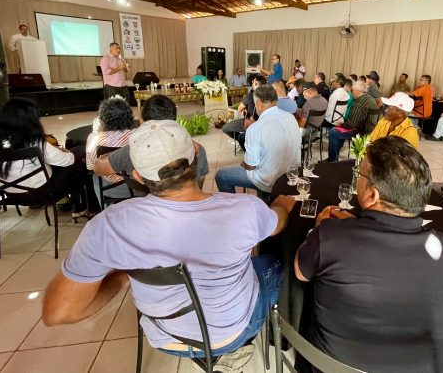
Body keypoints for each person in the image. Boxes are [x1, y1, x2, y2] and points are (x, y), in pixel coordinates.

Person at [42, 120, 298, 366]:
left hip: (166, 338)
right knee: (275, 261)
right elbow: (278, 225)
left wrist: (122, 275)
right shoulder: (245, 209)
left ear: (137, 176)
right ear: (197, 155)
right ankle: (271, 342)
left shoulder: (109, 225)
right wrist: (280, 206)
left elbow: (59, 313)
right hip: (232, 334)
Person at [296, 137, 443, 372]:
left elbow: (300, 273)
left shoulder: (331, 238)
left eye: (361, 176)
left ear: (372, 195)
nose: (358, 183)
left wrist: (318, 229)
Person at [0, 98, 93, 217]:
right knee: (78, 154)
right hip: (41, 192)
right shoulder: (34, 142)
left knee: (56, 163)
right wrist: (66, 152)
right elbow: (68, 161)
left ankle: (73, 204)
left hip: (10, 192)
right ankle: (83, 205)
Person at [93, 94, 209, 191]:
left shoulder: (132, 150)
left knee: (94, 179)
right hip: (186, 203)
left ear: (142, 122)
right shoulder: (197, 148)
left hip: (143, 201)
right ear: (174, 120)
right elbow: (199, 183)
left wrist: (122, 155)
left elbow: (98, 167)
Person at [215, 85, 300, 200]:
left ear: (259, 104)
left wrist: (243, 164)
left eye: (255, 105)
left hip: (268, 182)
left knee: (221, 175)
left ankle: (233, 206)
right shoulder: (290, 117)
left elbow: (251, 166)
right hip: (290, 175)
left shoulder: (255, 128)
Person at [86, 97, 134, 204]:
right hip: (135, 185)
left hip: (110, 190)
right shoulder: (135, 136)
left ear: (102, 118)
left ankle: (104, 208)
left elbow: (90, 166)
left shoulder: (94, 139)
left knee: (94, 175)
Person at [325, 81, 378, 162]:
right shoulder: (369, 98)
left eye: (352, 90)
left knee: (333, 132)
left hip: (362, 132)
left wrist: (342, 124)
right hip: (369, 130)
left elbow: (352, 125)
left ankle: (332, 159)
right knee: (339, 132)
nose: (350, 92)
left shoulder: (359, 104)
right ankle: (334, 158)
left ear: (357, 91)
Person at [222, 75, 265, 151]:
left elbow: (239, 108)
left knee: (225, 128)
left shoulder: (252, 95)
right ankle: (245, 139)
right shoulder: (269, 95)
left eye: (253, 82)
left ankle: (244, 141)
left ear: (255, 84)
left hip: (250, 122)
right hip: (264, 124)